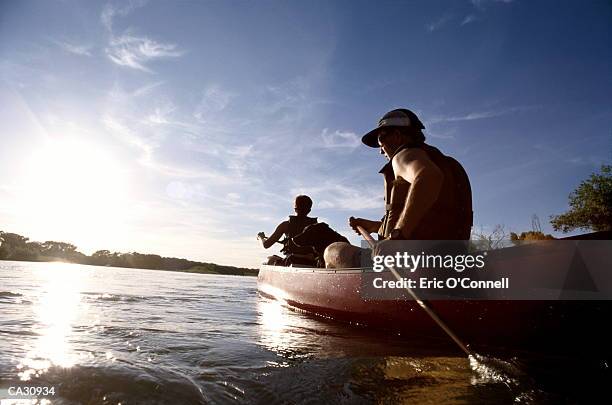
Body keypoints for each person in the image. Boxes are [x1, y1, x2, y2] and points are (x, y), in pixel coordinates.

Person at [326, 108, 472, 268]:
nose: (381, 150)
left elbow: (429, 175)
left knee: (333, 250)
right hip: (448, 260)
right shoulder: (444, 162)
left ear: (397, 135)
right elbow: (429, 218)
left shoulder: (404, 155)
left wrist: (398, 238)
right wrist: (374, 226)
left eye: (381, 141)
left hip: (407, 265)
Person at [258, 195, 318, 265]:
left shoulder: (285, 225)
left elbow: (266, 245)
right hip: (311, 262)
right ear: (309, 210)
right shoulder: (317, 227)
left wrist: (261, 238)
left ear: (295, 209)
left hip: (291, 261)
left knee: (269, 259)